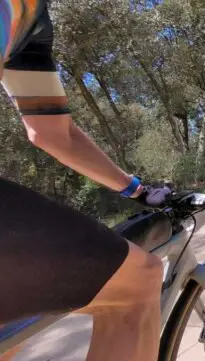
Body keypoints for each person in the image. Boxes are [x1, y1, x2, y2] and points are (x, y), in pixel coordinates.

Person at [0, 2, 169, 360]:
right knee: (139, 285)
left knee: (11, 330)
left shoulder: (31, 22)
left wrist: (137, 189)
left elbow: (54, 133)